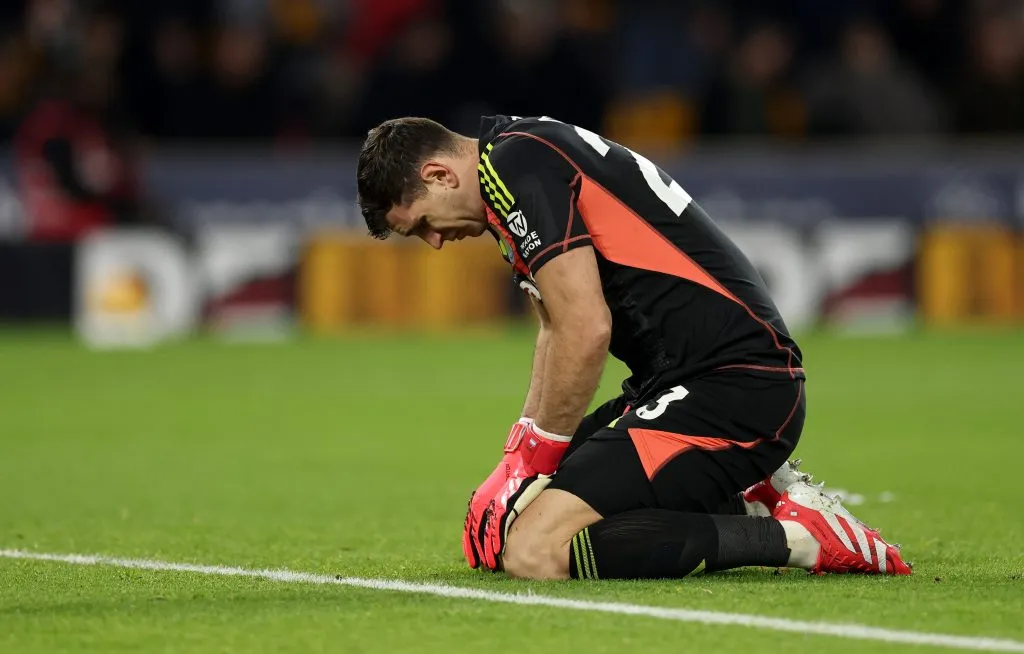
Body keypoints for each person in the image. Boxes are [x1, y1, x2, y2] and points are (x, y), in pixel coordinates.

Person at [355, 115, 911, 580]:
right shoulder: (517, 158)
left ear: (438, 174)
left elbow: (586, 328)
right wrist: (518, 458)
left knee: (536, 551)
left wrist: (535, 461)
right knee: (518, 524)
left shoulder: (515, 167)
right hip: (681, 384)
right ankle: (751, 495)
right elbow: (553, 328)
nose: (433, 242)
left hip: (734, 386)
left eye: (422, 223)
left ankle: (797, 539)